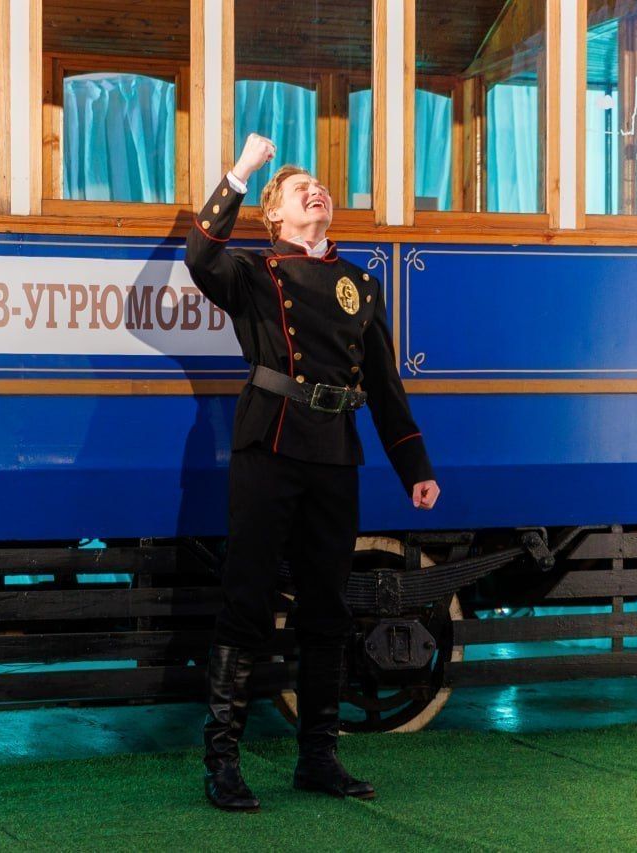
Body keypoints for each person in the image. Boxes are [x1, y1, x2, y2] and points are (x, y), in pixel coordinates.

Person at [185, 133, 440, 812]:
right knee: (247, 600)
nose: (317, 191)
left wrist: (413, 465)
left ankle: (318, 758)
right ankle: (222, 763)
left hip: (334, 453)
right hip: (268, 446)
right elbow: (199, 255)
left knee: (328, 609)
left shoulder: (360, 284)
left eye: (320, 188)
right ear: (274, 214)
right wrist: (242, 170)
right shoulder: (252, 271)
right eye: (302, 189)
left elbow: (384, 386)